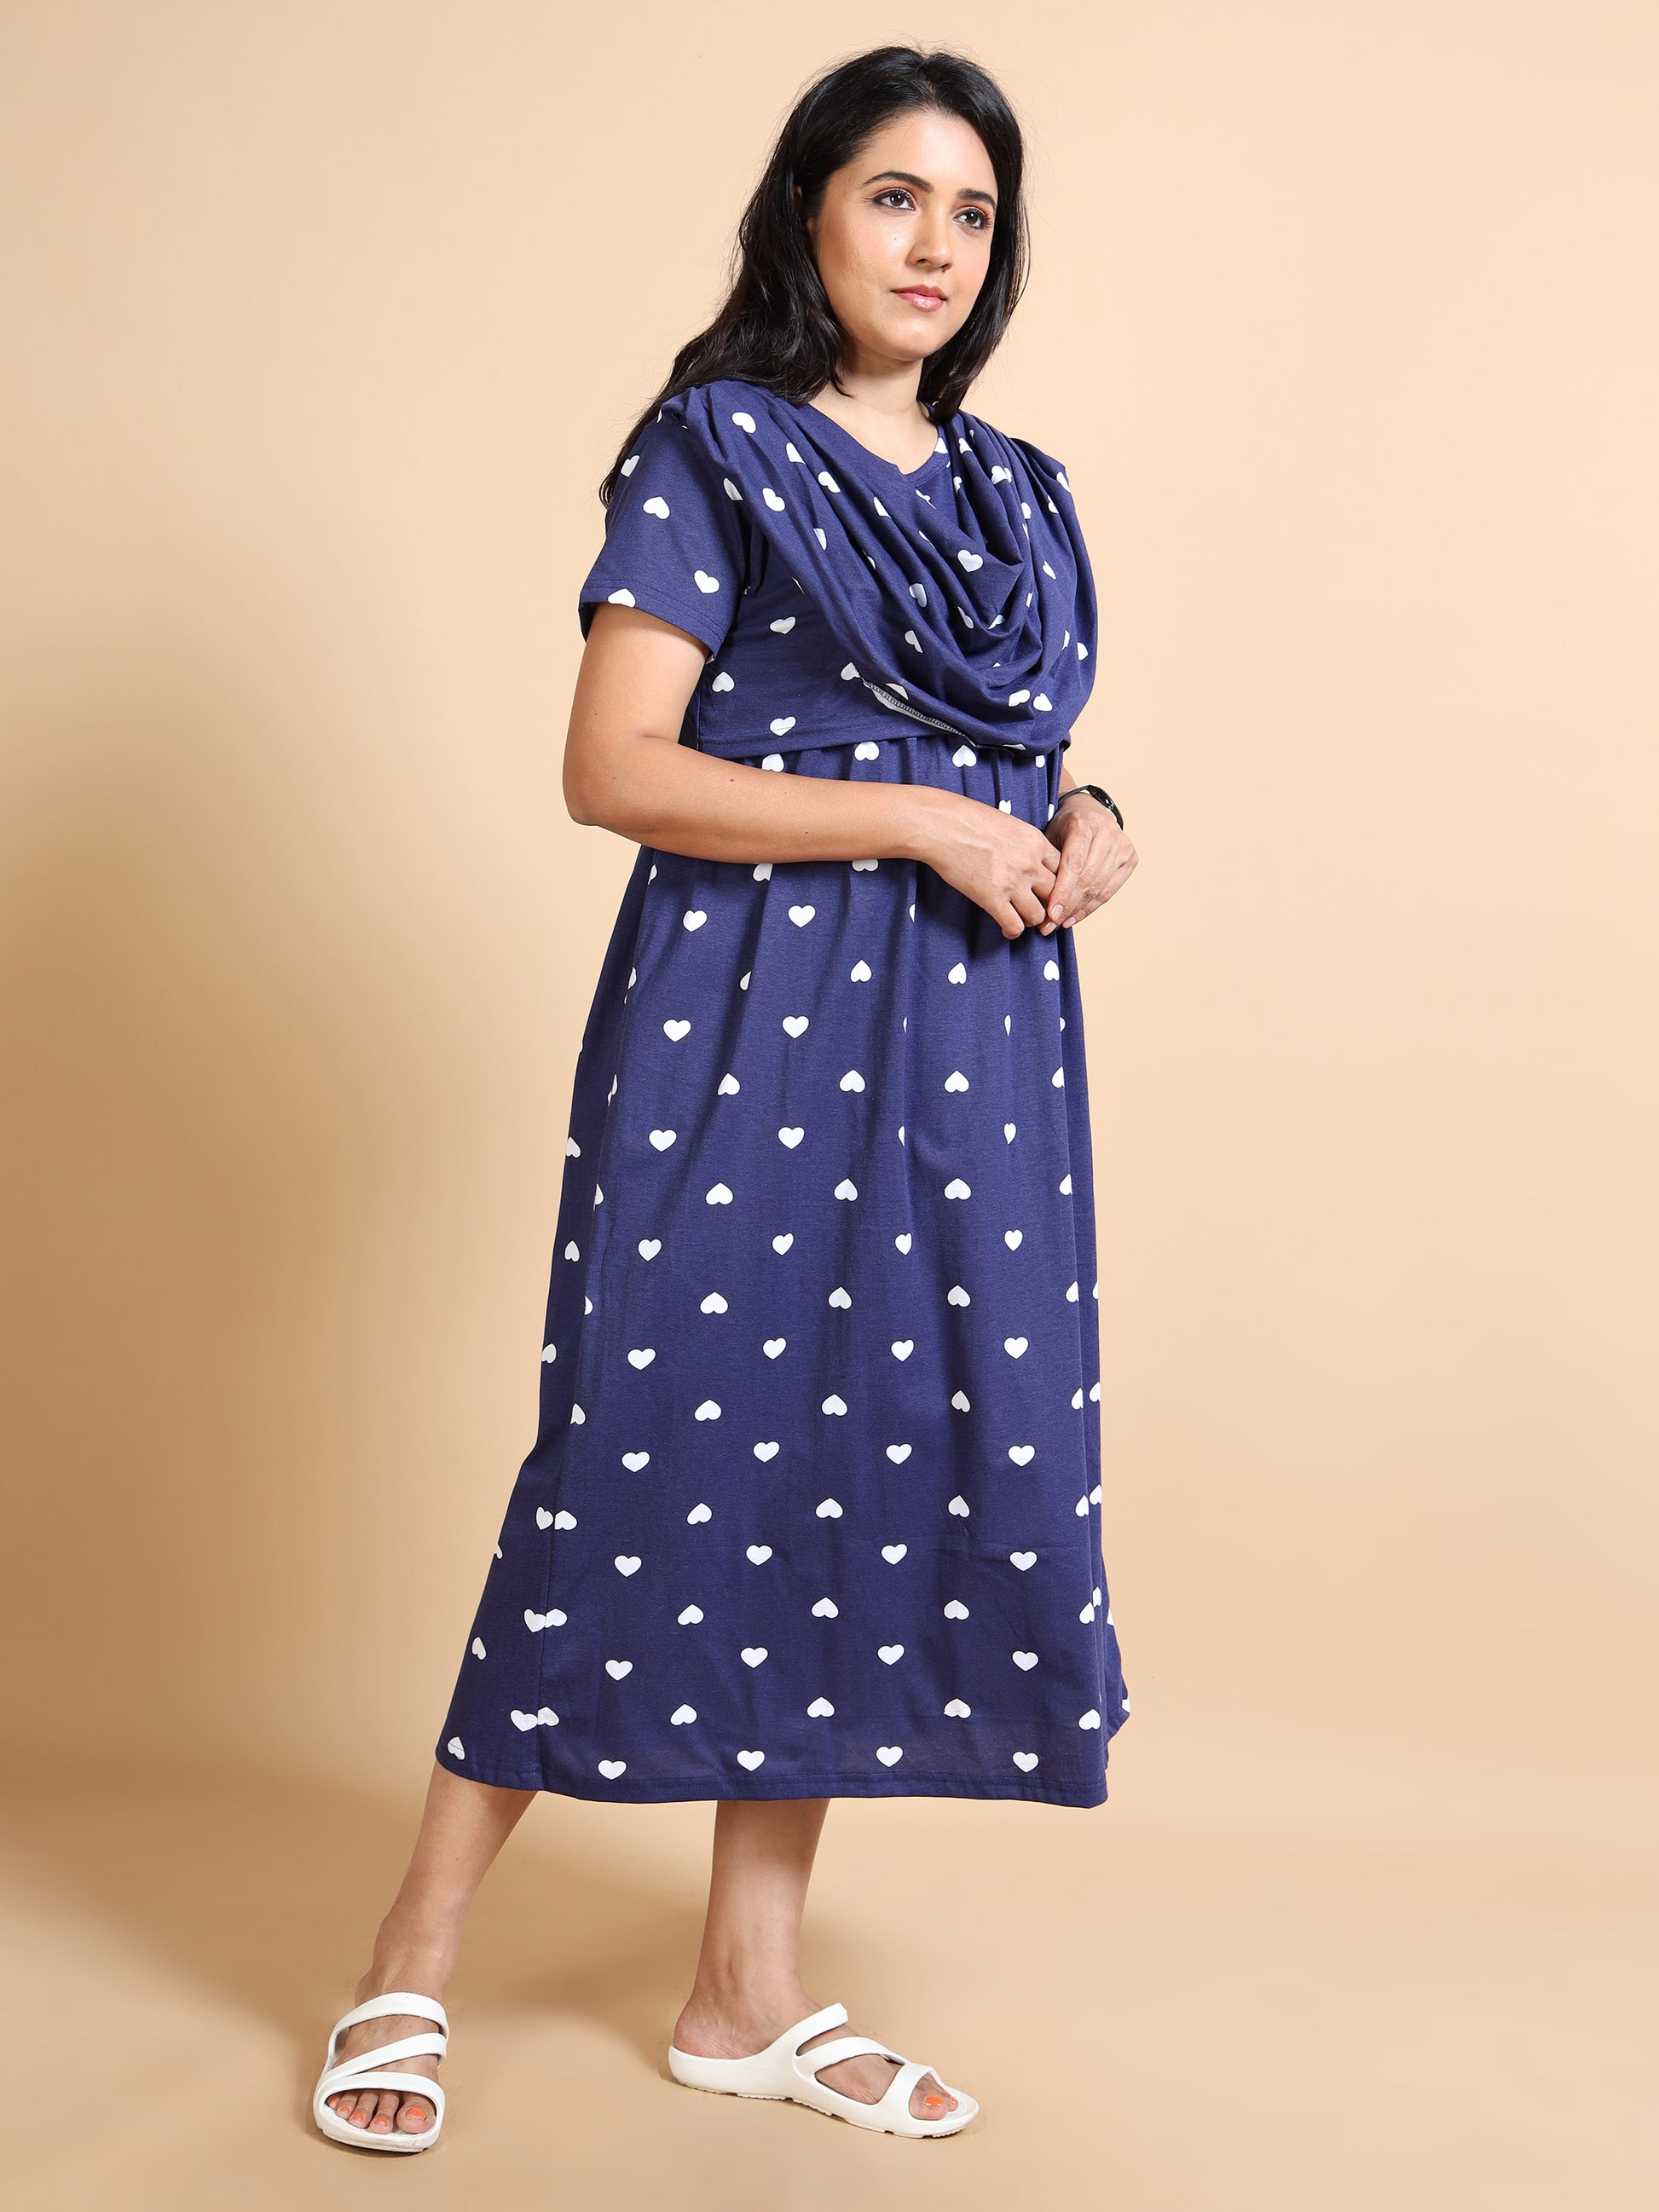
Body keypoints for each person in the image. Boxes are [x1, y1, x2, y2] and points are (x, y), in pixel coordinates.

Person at [313, 41, 1137, 2153]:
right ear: (806, 215)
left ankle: (745, 1987)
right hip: (746, 1020)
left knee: (869, 1466)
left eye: (972, 211)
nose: (936, 244)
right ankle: (410, 1951)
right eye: (894, 197)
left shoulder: (1018, 493)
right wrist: (920, 825)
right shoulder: (715, 447)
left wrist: (1086, 822)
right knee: (642, 1446)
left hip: (970, 1044)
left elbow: (1014, 758)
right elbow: (614, 767)